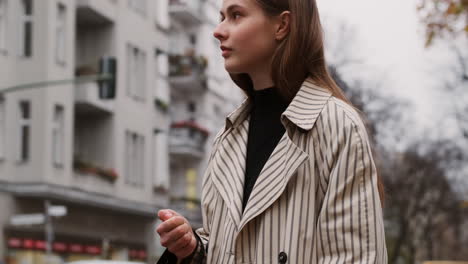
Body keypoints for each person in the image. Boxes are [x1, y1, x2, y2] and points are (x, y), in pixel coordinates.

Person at [156, 0, 388, 263]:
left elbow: (355, 257)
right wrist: (194, 249)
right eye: (221, 16)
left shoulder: (336, 125)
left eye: (236, 15)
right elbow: (230, 248)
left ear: (282, 25)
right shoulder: (228, 136)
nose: (218, 30)